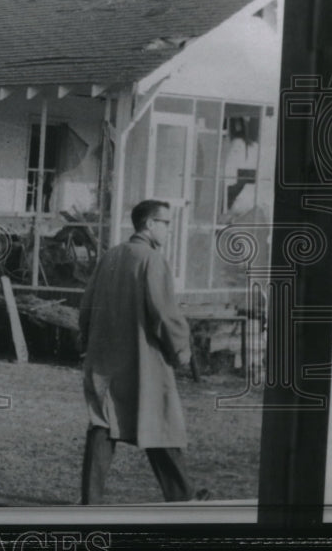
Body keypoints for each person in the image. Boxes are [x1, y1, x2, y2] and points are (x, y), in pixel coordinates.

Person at [78, 199, 206, 504]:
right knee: (158, 419)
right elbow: (164, 314)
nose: (168, 230)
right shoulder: (152, 259)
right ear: (149, 224)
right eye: (165, 223)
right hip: (142, 359)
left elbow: (86, 307)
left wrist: (86, 343)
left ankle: (90, 500)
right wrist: (181, 351)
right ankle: (182, 496)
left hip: (104, 358)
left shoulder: (110, 256)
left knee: (103, 423)